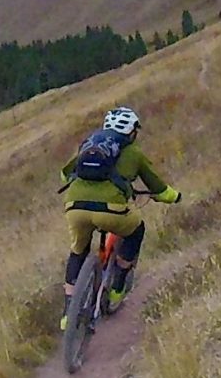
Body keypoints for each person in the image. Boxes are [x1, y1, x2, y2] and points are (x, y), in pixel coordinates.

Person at [58, 105, 180, 310]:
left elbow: (65, 174)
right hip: (112, 210)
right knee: (136, 230)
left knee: (78, 250)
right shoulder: (133, 152)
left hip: (74, 207)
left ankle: (68, 311)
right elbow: (158, 188)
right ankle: (117, 289)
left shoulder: (90, 143)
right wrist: (174, 197)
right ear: (131, 132)